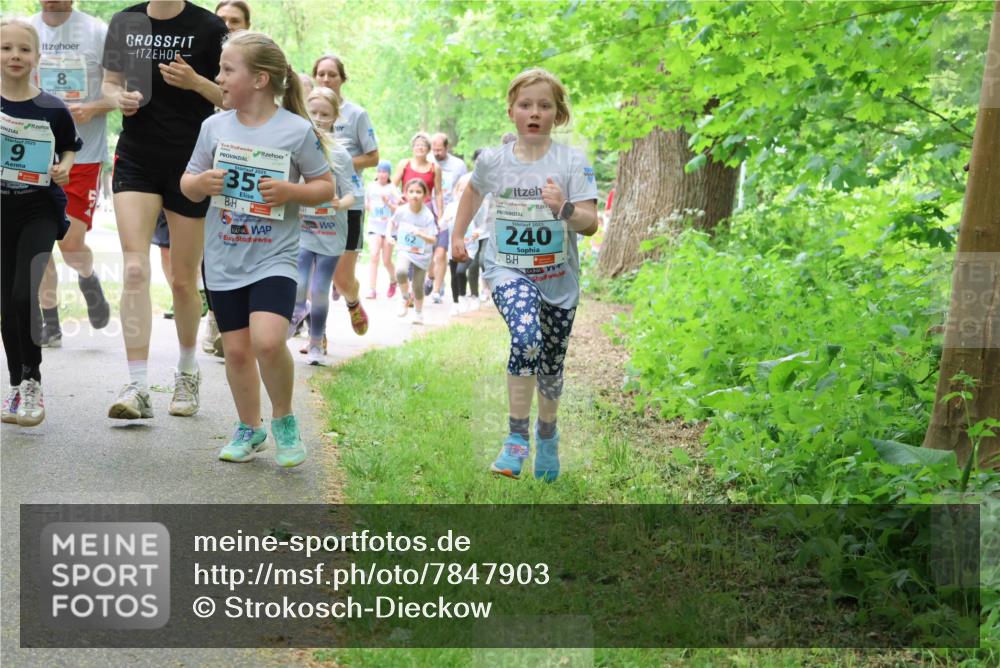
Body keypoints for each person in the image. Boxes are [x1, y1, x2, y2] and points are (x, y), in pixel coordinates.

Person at [181, 31, 334, 466]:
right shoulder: (214, 127)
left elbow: (325, 186)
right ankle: (250, 427)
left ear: (261, 80)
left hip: (275, 256)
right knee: (236, 350)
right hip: (225, 257)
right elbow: (187, 184)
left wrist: (289, 190)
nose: (218, 77)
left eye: (228, 69)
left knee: (268, 341)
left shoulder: (295, 130)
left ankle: (284, 419)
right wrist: (201, 183)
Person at [451, 68, 599, 482]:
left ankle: (546, 435)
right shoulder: (494, 161)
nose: (534, 112)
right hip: (506, 268)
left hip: (558, 279)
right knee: (526, 336)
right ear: (512, 111)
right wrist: (458, 234)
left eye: (545, 105)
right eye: (525, 104)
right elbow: (472, 192)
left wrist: (565, 208)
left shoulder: (572, 162)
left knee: (551, 365)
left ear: (558, 115)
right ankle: (516, 439)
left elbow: (591, 224)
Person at [102, 0, 227, 420]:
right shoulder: (125, 21)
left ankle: (187, 371)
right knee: (135, 268)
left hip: (190, 159)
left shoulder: (209, 27)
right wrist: (119, 98)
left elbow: (229, 97)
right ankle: (137, 385)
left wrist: (195, 82)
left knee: (182, 279)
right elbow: (108, 84)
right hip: (136, 156)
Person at [1, 18, 82, 426]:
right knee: (4, 303)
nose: (15, 56)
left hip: (39, 209)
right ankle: (15, 386)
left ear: (36, 56)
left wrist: (64, 168)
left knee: (21, 294)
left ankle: (33, 380)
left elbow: (69, 147)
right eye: (6, 48)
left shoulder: (51, 106)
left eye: (23, 49)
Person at [30, 0, 111, 348]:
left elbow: (123, 91)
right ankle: (51, 322)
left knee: (70, 242)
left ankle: (88, 277)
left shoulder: (97, 31)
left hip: (82, 153)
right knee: (39, 240)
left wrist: (92, 107)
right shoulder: (23, 29)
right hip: (32, 152)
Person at [289, 86, 356, 365]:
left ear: (335, 117)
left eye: (324, 114)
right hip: (303, 230)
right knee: (299, 284)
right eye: (313, 112)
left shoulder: (341, 154)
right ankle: (290, 321)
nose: (318, 118)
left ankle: (316, 341)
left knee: (319, 290)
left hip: (330, 234)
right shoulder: (297, 146)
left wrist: (341, 204)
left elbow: (354, 193)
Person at [311, 54, 377, 335]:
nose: (326, 79)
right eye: (321, 74)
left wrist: (339, 164)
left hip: (348, 203)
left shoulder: (356, 114)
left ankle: (352, 300)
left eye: (332, 75)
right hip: (313, 202)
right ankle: (318, 334)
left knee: (341, 277)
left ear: (342, 79)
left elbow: (373, 157)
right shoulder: (307, 111)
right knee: (315, 273)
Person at [392, 132, 443, 301]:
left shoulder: (434, 168)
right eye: (417, 145)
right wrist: (397, 196)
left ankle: (429, 276)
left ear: (428, 149)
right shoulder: (404, 164)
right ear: (413, 148)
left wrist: (441, 215)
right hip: (407, 211)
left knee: (426, 248)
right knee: (407, 249)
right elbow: (393, 185)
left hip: (426, 210)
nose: (420, 148)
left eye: (423, 145)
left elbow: (439, 193)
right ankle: (409, 291)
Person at [390, 179, 437, 325]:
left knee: (417, 286)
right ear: (406, 194)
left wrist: (420, 234)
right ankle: (404, 297)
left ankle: (418, 314)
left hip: (422, 254)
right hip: (405, 250)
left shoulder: (428, 215)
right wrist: (388, 235)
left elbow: (433, 240)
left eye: (418, 192)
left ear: (425, 195)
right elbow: (392, 222)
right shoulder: (402, 211)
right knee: (400, 271)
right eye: (411, 192)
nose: (414, 195)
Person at [430, 132, 467, 302]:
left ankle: (436, 290)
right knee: (428, 253)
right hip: (428, 210)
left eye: (439, 150)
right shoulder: (427, 161)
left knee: (441, 252)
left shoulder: (458, 165)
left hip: (448, 212)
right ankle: (434, 278)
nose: (436, 153)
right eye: (434, 149)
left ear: (447, 147)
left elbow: (464, 189)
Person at [365, 160, 399, 299]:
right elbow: (366, 202)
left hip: (389, 227)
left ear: (389, 174)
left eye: (385, 172)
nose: (382, 174)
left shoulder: (392, 188)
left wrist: (388, 203)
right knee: (374, 256)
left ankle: (393, 280)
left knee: (386, 260)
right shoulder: (371, 186)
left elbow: (398, 209)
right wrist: (370, 208)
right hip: (374, 225)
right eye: (379, 171)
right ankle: (372, 289)